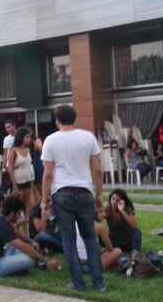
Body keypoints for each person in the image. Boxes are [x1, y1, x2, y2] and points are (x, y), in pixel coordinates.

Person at [41, 105, 106, 293]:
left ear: (57, 120)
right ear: (74, 118)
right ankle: (98, 282)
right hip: (85, 192)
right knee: (90, 239)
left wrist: (45, 200)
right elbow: (98, 169)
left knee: (68, 240)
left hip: (61, 193)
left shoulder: (50, 140)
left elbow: (47, 174)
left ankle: (78, 283)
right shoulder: (88, 137)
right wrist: (99, 195)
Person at [0, 196, 62, 277]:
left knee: (27, 249)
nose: (20, 216)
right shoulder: (0, 225)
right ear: (12, 213)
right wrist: (46, 261)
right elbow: (22, 246)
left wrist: (32, 242)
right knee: (29, 260)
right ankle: (14, 269)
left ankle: (15, 267)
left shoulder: (0, 219)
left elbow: (15, 233)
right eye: (19, 213)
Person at [7, 127, 34, 214]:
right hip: (18, 181)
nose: (29, 139)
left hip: (28, 180)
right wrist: (14, 185)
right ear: (21, 137)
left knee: (26, 206)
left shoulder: (29, 150)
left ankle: (26, 225)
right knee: (18, 206)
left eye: (29, 137)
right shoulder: (13, 151)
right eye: (26, 137)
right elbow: (10, 168)